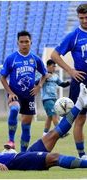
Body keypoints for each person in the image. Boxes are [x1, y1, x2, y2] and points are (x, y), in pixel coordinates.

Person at [0, 83, 87, 171]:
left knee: (53, 134)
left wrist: (4, 153)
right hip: (17, 161)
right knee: (55, 158)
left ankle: (80, 103)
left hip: (19, 155)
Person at [0, 30, 48, 152]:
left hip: (29, 96)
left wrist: (39, 86)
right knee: (15, 109)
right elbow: (2, 77)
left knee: (26, 126)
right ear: (18, 43)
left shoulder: (35, 59)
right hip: (15, 94)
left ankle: (23, 153)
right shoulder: (12, 58)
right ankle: (11, 141)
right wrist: (10, 92)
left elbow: (45, 74)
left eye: (27, 42)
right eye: (22, 42)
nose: (24, 44)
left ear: (31, 42)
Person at [51, 3, 87, 158]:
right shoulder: (74, 36)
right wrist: (70, 70)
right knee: (79, 119)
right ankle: (82, 155)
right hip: (81, 81)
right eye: (81, 18)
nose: (85, 20)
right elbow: (54, 55)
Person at [39, 59, 70, 136]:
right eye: (53, 66)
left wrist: (70, 82)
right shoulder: (43, 75)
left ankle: (45, 133)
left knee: (50, 117)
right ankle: (61, 132)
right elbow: (36, 83)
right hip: (47, 99)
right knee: (54, 115)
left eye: (55, 66)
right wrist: (45, 78)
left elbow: (62, 84)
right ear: (48, 66)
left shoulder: (55, 76)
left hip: (54, 98)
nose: (54, 68)